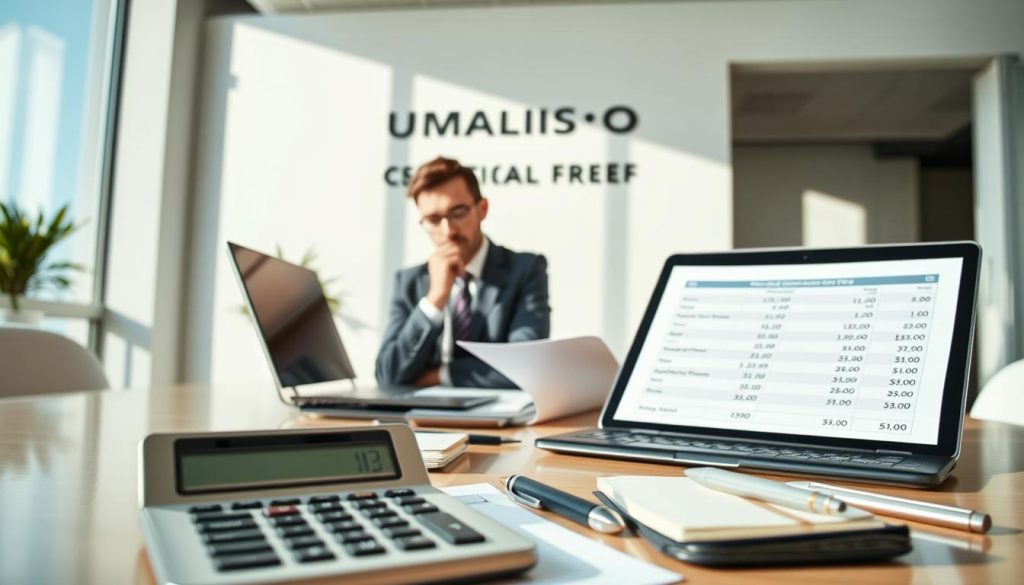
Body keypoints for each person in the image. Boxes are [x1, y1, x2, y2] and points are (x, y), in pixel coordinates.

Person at [375, 157, 551, 388]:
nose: (448, 231)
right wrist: (434, 299)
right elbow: (388, 374)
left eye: (457, 212)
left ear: (482, 209)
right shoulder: (408, 282)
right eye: (433, 219)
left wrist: (441, 376)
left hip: (499, 418)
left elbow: (526, 366)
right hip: (422, 417)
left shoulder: (525, 270)